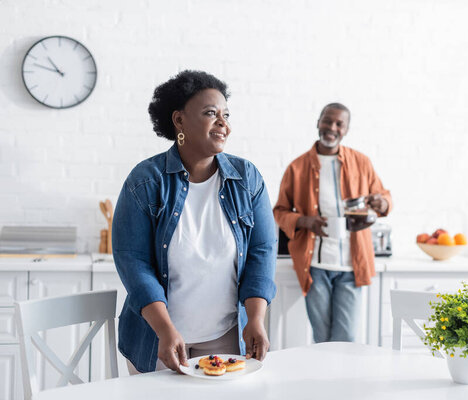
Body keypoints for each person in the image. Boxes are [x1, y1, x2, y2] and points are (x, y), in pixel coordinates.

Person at [112, 70, 277, 373]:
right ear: (179, 121)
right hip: (157, 339)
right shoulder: (146, 181)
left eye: (226, 115)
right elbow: (133, 261)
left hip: (224, 338)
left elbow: (262, 251)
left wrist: (255, 318)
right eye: (211, 113)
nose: (223, 123)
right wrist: (164, 329)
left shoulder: (247, 178)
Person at [273, 103, 391, 343]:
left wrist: (382, 204)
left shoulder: (362, 162)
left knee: (345, 338)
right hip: (315, 266)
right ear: (318, 122)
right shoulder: (296, 168)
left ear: (346, 129)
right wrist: (304, 221)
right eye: (328, 121)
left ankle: (341, 381)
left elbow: (384, 197)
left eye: (339, 124)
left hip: (351, 266)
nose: (332, 128)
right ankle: (322, 381)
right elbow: (280, 211)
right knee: (322, 338)